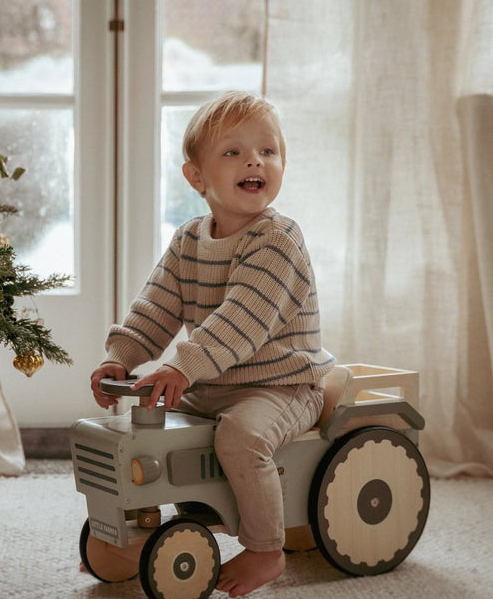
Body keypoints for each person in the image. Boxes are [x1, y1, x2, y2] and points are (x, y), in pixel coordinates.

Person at [89, 91, 335, 597]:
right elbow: (155, 307)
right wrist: (122, 356)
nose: (254, 160)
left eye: (268, 151)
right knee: (149, 433)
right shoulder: (187, 241)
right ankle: (138, 525)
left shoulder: (279, 238)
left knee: (241, 438)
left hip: (282, 385)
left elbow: (242, 319)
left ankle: (267, 548)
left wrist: (182, 366)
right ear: (196, 177)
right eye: (233, 152)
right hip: (211, 386)